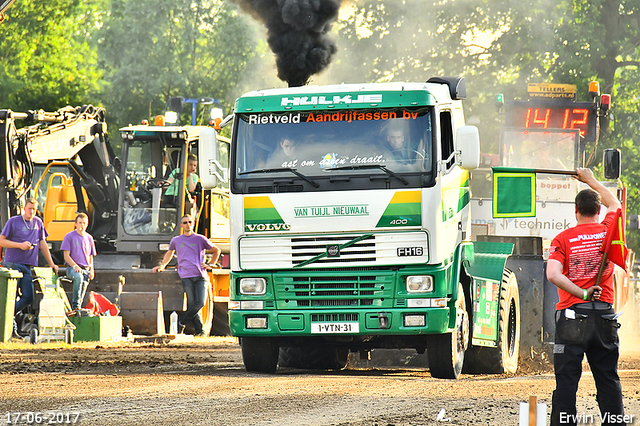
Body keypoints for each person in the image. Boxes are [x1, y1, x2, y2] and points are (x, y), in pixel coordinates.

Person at [547, 168, 625, 426]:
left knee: (567, 380)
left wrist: (581, 292)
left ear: (576, 210)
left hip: (572, 316)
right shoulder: (609, 232)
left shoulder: (562, 239)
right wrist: (590, 179)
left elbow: (553, 275)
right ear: (598, 210)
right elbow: (614, 202)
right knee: (607, 378)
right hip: (604, 315)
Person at [152, 214, 220, 336]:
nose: (188, 224)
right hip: (186, 276)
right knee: (193, 304)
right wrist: (162, 266)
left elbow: (216, 251)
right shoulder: (176, 240)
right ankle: (200, 332)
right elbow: (169, 253)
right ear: (181, 225)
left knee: (200, 303)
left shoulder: (200, 239)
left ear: (193, 224)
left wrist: (211, 264)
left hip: (200, 276)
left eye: (190, 222)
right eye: (185, 222)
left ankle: (180, 322)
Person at [0, 198, 59, 334]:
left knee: (28, 297)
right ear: (24, 208)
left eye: (34, 209)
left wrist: (51, 263)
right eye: (29, 208)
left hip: (28, 265)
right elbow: (2, 241)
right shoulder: (13, 221)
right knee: (11, 296)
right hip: (13, 264)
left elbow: (42, 244)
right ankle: (8, 326)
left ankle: (8, 316)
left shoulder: (38, 222)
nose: (31, 211)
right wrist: (19, 245)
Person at [61, 213, 96, 311]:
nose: (82, 225)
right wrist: (75, 266)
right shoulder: (69, 236)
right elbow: (66, 256)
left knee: (84, 285)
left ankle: (78, 307)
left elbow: (90, 255)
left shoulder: (89, 238)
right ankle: (75, 306)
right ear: (75, 224)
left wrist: (92, 270)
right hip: (72, 268)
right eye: (80, 223)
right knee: (78, 277)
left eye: (84, 223)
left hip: (85, 268)